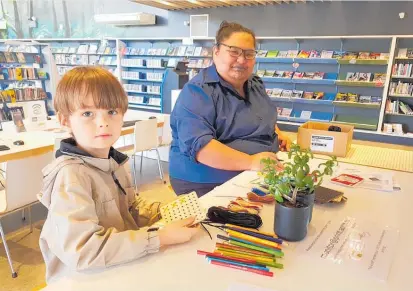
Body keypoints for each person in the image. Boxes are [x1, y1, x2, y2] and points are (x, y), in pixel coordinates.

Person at [38, 67, 199, 283]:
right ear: (65, 120)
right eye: (87, 114)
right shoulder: (71, 175)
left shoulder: (114, 161)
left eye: (112, 111)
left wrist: (164, 211)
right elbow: (84, 250)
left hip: (118, 265)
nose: (103, 122)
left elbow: (129, 208)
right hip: (83, 280)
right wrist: (160, 237)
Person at [169, 21, 292, 197]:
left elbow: (261, 115)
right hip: (207, 181)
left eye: (249, 54)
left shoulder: (255, 84)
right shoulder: (197, 92)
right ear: (216, 52)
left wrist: (276, 132)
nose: (242, 60)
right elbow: (201, 149)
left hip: (255, 172)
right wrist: (250, 162)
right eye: (234, 52)